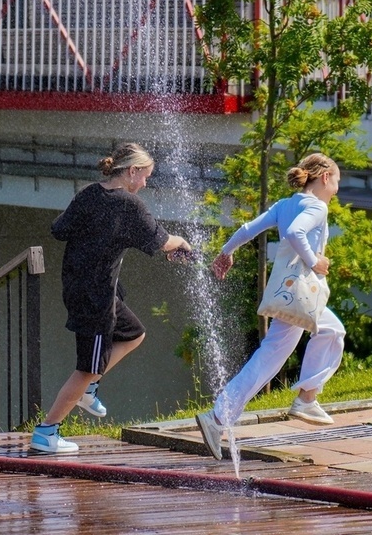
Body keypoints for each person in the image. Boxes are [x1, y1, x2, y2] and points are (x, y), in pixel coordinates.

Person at [30, 143, 193, 454]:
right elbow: (161, 240)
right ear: (132, 172)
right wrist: (182, 241)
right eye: (145, 176)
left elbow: (59, 229)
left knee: (133, 333)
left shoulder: (90, 193)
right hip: (96, 297)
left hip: (81, 287)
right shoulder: (129, 205)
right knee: (87, 367)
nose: (145, 183)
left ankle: (89, 389)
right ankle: (47, 432)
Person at [196, 153, 346, 460]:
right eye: (337, 182)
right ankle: (306, 398)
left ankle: (219, 418)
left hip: (286, 292)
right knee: (332, 332)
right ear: (325, 177)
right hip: (300, 295)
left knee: (272, 356)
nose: (337, 189)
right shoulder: (317, 207)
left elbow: (249, 228)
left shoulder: (285, 204)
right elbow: (296, 233)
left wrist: (226, 252)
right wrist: (314, 259)